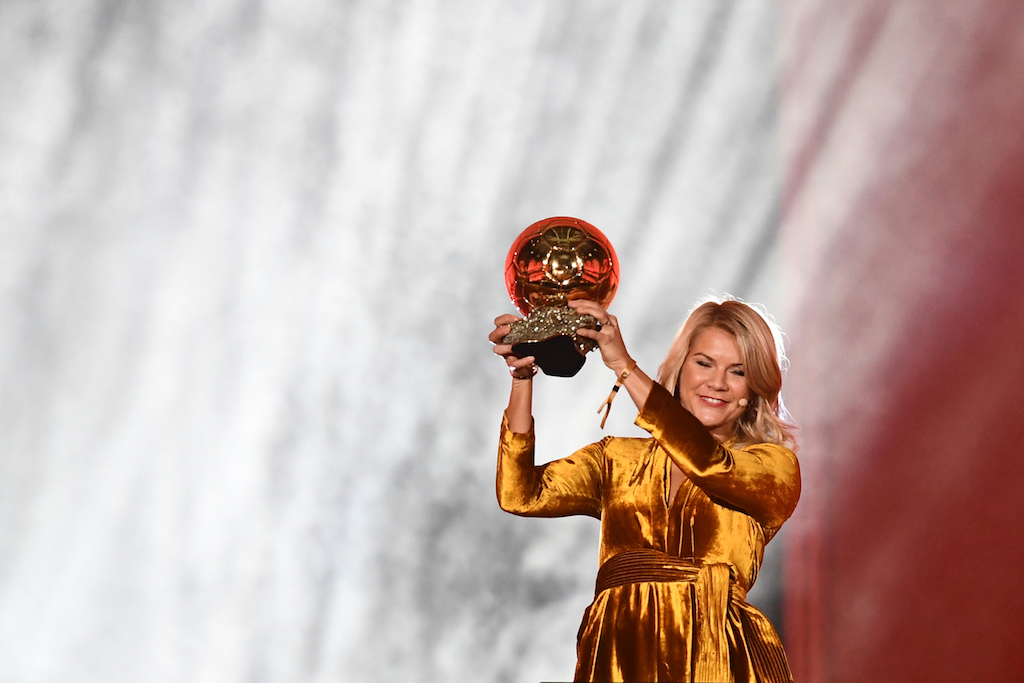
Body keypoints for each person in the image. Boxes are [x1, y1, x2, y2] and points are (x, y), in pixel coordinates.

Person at [489, 296, 800, 683]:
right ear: (680, 368)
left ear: (753, 388)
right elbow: (520, 493)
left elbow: (709, 464)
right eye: (704, 363)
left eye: (738, 371)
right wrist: (522, 380)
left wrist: (624, 366)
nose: (717, 383)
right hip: (621, 656)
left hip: (721, 659)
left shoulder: (773, 467)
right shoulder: (616, 459)